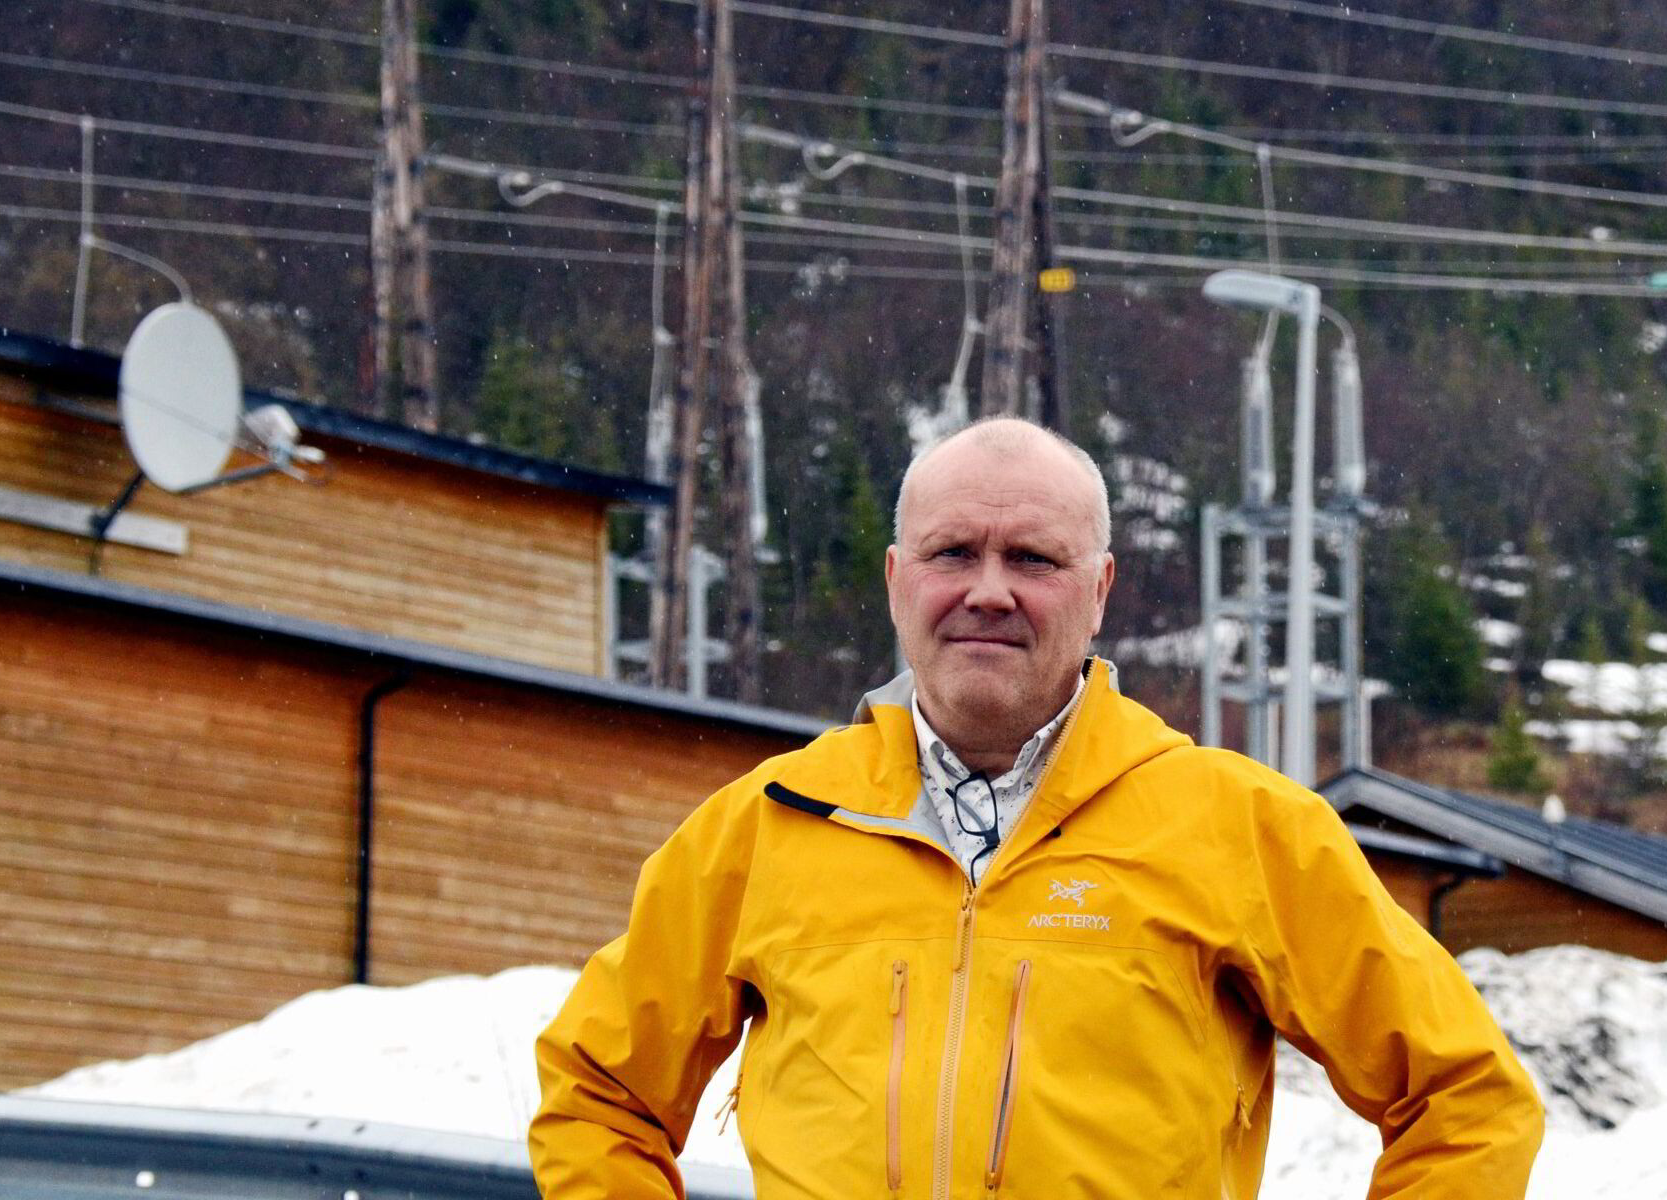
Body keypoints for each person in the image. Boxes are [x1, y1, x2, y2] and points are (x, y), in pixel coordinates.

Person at [530, 417, 1542, 1198]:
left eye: (1033, 559)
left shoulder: (1238, 827)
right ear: (896, 580)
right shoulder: (770, 824)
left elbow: (1465, 1098)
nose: (988, 590)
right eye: (952, 553)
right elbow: (598, 1094)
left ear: (1099, 590)